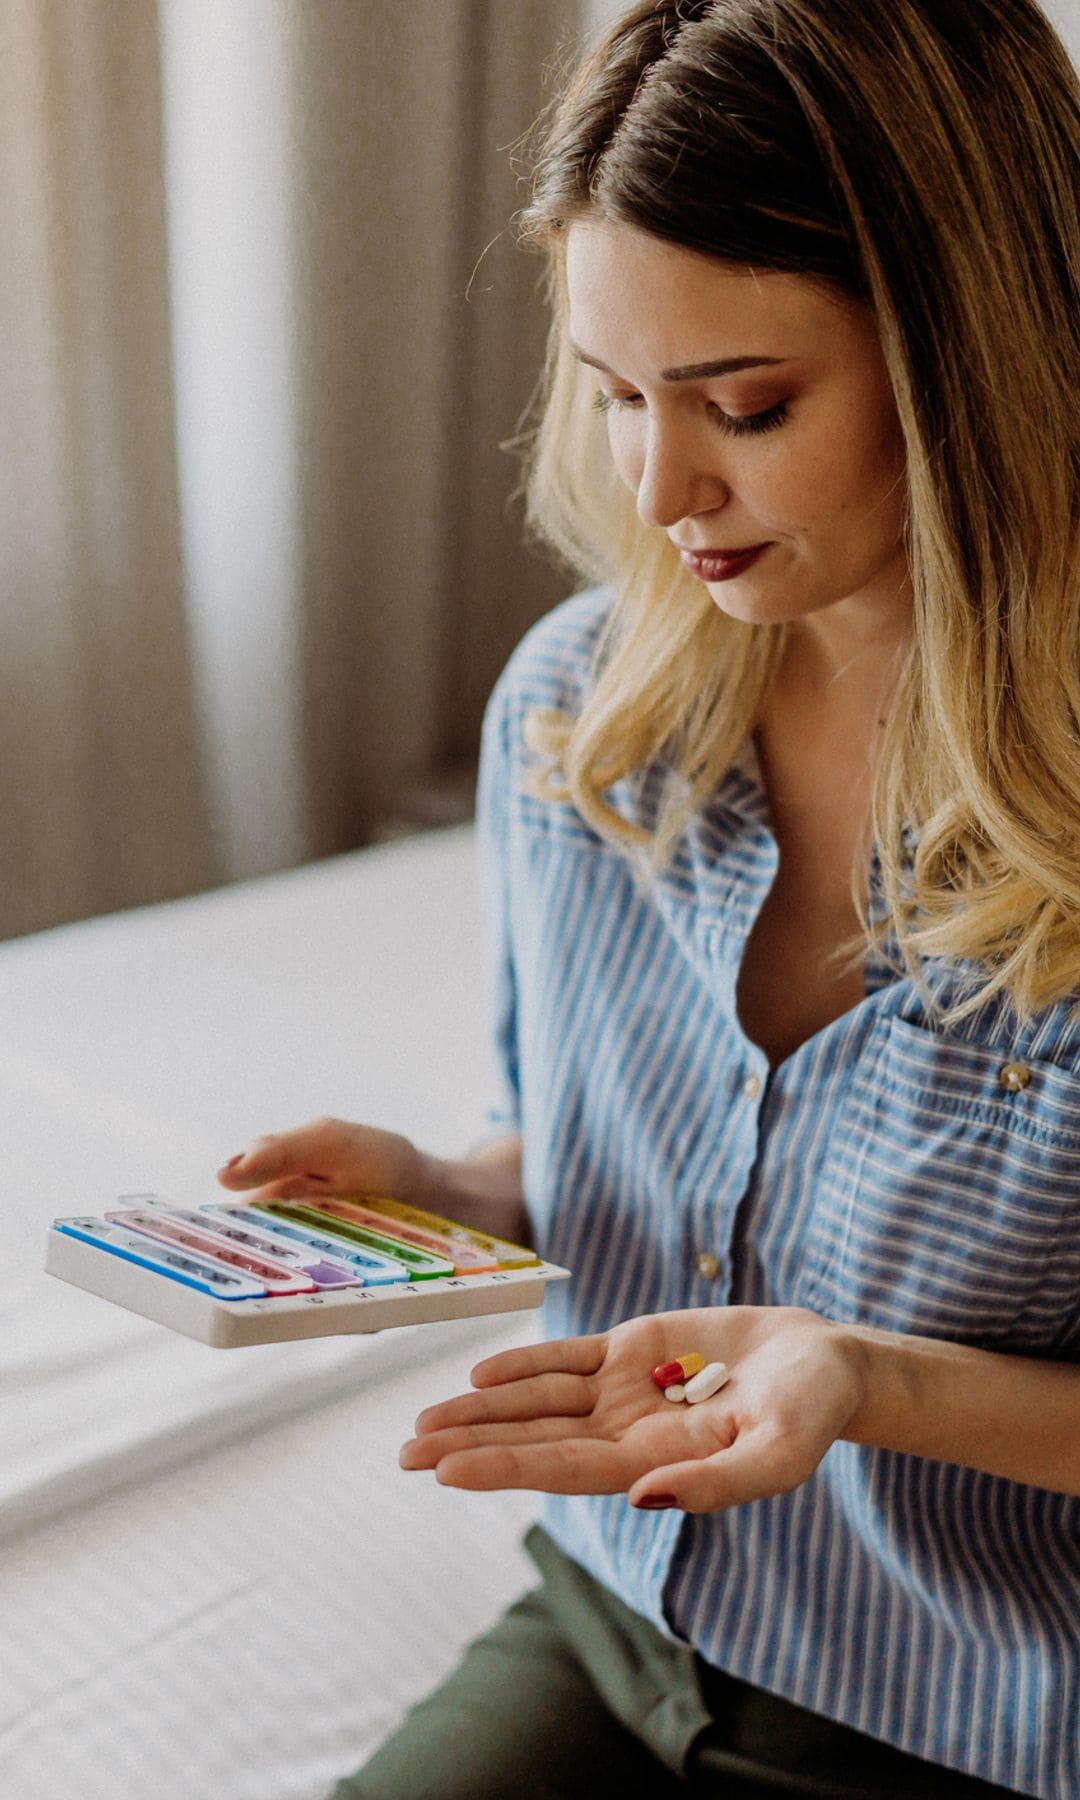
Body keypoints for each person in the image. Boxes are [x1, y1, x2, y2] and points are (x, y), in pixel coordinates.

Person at [218, 1, 1080, 1794]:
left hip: (985, 1720)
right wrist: (438, 1191)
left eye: (746, 408)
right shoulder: (578, 719)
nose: (661, 490)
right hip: (624, 1619)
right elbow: (600, 1155)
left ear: (973, 356)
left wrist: (871, 1382)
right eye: (615, 396)